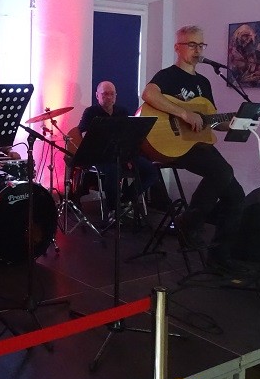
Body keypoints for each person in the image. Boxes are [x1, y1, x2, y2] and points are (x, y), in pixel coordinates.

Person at [141, 25, 245, 274]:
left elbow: (210, 121)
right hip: (174, 144)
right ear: (178, 48)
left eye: (200, 45)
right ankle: (188, 223)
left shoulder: (203, 82)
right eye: (191, 45)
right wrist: (184, 113)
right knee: (222, 172)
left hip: (197, 143)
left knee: (236, 196)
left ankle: (219, 256)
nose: (197, 50)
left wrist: (236, 124)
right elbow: (149, 94)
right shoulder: (168, 75)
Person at [77, 81, 159, 218]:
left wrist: (129, 156)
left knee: (151, 171)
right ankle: (113, 209)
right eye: (105, 94)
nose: (109, 97)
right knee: (114, 170)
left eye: (112, 94)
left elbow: (129, 136)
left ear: (116, 95)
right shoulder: (91, 112)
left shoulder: (122, 112)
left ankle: (125, 200)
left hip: (123, 154)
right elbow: (83, 134)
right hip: (101, 156)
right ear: (97, 95)